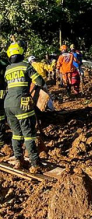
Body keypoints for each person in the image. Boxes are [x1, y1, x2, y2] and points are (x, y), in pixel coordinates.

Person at [4, 41, 46, 172]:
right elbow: (40, 81)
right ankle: (34, 163)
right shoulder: (25, 66)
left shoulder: (7, 69)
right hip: (21, 104)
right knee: (29, 134)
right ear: (21, 53)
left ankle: (18, 160)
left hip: (8, 104)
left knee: (16, 134)